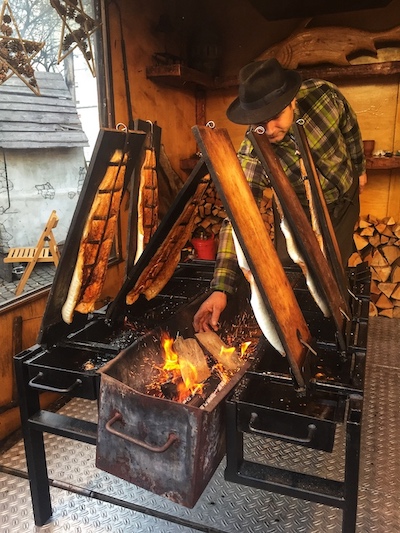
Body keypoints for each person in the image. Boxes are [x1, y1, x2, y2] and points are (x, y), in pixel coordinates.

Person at [193, 57, 367, 333]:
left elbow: (350, 128)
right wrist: (221, 287)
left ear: (292, 102)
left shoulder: (326, 98)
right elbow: (236, 216)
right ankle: (296, 334)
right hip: (296, 210)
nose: (270, 130)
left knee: (332, 273)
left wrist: (359, 170)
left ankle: (334, 331)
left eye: (275, 117)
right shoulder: (254, 150)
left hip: (342, 200)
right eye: (260, 123)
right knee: (288, 274)